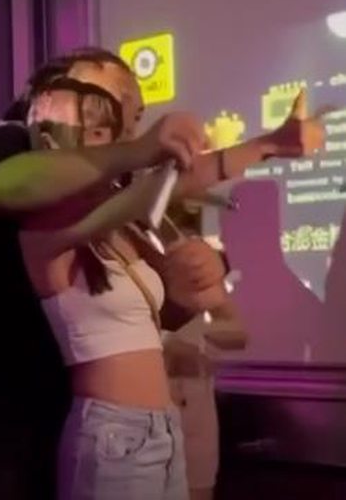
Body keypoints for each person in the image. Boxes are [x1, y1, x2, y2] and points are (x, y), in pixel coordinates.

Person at [0, 47, 324, 499]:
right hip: (22, 411)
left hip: (139, 424)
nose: (121, 118)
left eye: (128, 112)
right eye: (108, 103)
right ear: (50, 100)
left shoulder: (97, 201)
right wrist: (141, 150)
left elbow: (161, 190)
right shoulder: (12, 150)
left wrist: (269, 145)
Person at [163, 203, 248, 500]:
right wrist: (167, 346)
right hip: (151, 409)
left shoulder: (200, 267)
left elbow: (239, 334)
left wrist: (201, 344)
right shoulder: (138, 263)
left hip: (195, 407)